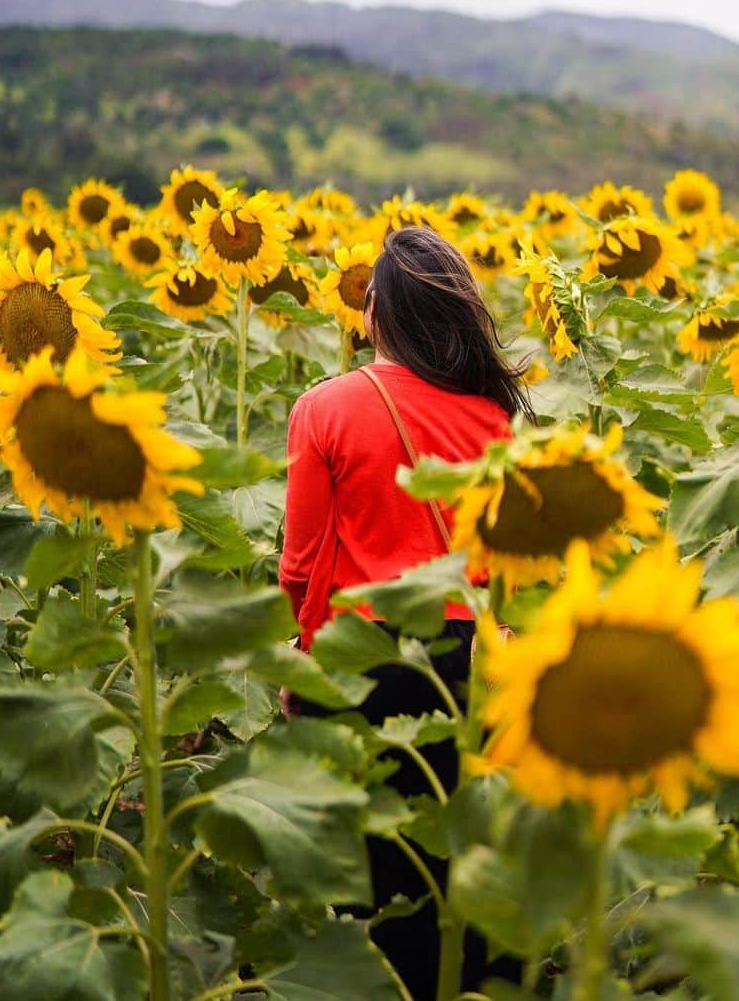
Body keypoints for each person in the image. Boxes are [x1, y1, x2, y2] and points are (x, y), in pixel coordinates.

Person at [279, 225, 532, 998]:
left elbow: (300, 566)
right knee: (474, 891)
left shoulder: (324, 408)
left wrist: (309, 666)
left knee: (372, 898)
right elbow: (510, 569)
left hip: (366, 666)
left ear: (375, 312)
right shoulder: (497, 420)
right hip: (479, 668)